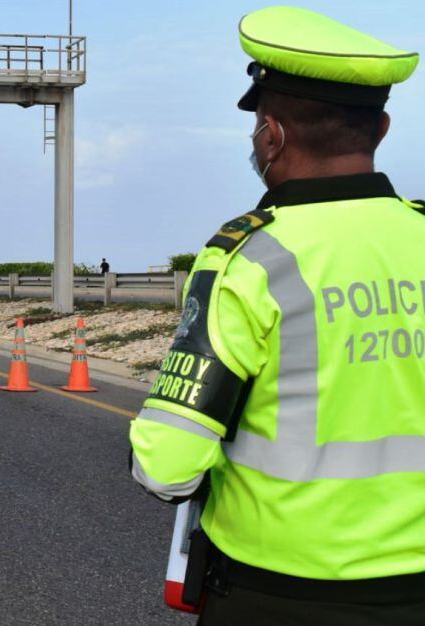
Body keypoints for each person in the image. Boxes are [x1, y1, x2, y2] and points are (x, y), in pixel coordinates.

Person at [129, 6, 425, 624]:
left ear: (272, 135)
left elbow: (166, 467)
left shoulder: (249, 258)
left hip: (281, 594)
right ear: (383, 127)